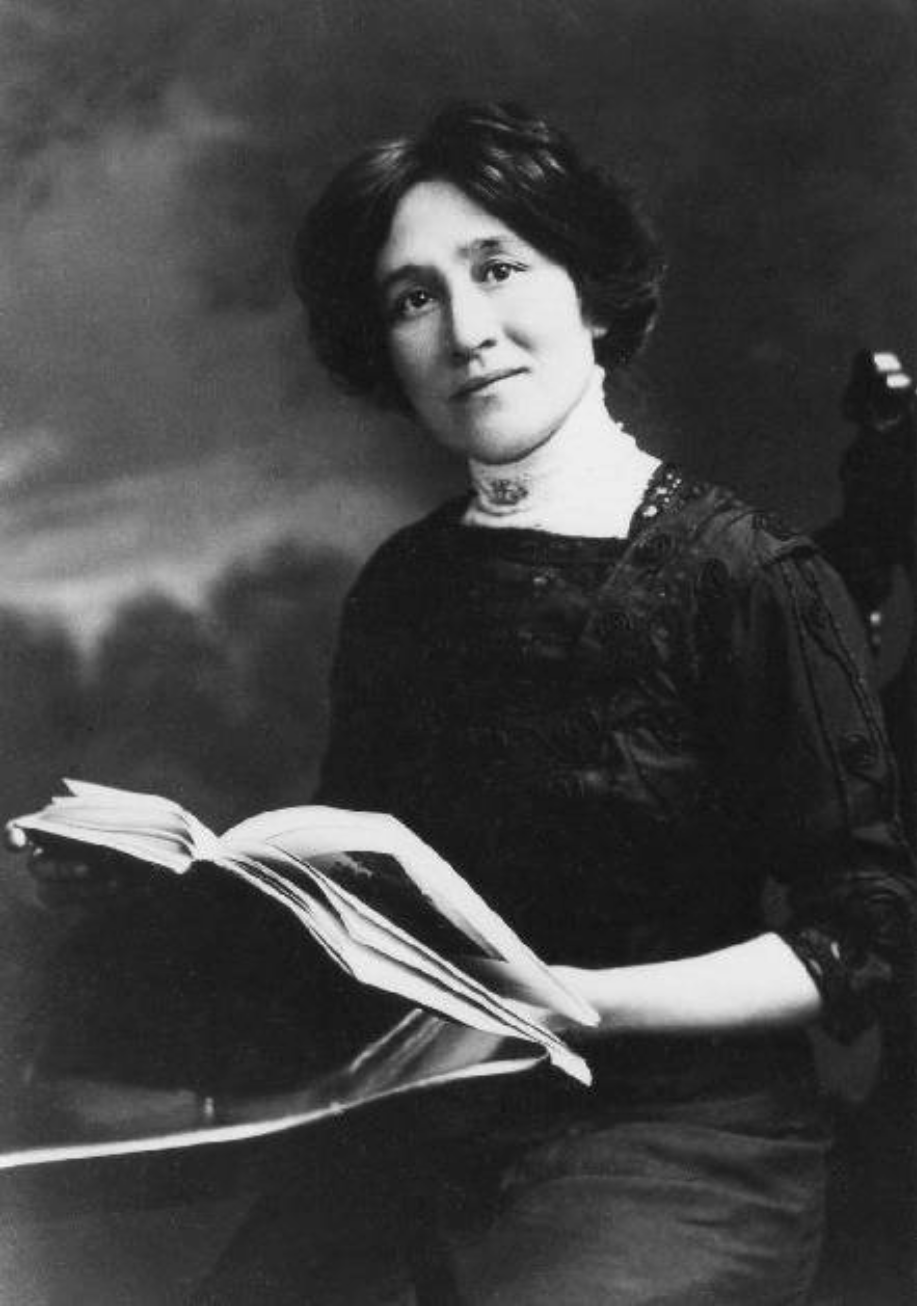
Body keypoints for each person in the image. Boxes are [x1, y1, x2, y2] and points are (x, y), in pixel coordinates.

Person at [33, 102, 917, 1304]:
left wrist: (584, 1002)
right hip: (412, 1125)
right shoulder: (403, 588)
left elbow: (859, 933)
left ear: (592, 295)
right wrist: (174, 894)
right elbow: (358, 909)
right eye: (411, 298)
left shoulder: (745, 576)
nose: (465, 330)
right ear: (383, 347)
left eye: (498, 268)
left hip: (679, 1147)